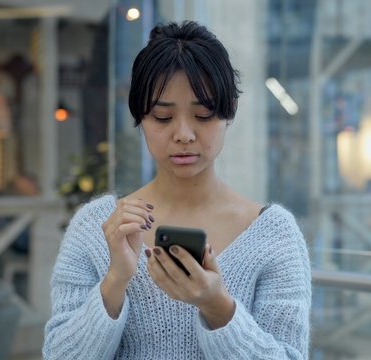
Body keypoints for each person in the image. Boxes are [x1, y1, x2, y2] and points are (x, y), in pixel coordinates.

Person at [43, 21, 311, 359]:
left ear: (229, 113)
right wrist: (115, 281)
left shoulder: (272, 234)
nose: (183, 134)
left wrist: (219, 309)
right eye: (162, 117)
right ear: (140, 117)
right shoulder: (97, 226)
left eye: (202, 114)